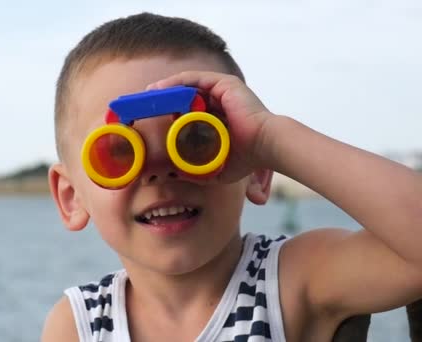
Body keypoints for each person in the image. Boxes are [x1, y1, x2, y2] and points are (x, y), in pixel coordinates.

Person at [41, 12, 422, 341]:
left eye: (196, 141)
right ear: (72, 196)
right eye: (119, 152)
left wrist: (271, 137)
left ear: (256, 169)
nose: (162, 171)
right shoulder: (80, 324)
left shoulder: (294, 280)